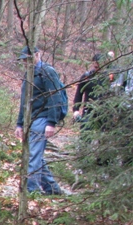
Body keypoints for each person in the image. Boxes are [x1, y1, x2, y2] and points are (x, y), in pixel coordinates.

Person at [15, 46, 63, 195]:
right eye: (23, 60)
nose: (25, 62)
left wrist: (51, 122)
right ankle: (52, 189)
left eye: (27, 59)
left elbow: (55, 97)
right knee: (35, 156)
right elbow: (24, 100)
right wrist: (20, 123)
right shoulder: (29, 74)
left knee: (33, 156)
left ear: (37, 55)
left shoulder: (47, 72)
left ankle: (31, 191)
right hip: (31, 119)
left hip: (42, 118)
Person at [72, 54, 110, 128]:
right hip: (88, 112)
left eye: (100, 67)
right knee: (85, 137)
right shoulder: (86, 77)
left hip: (105, 113)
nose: (98, 69)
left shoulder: (109, 78)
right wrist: (76, 110)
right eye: (96, 67)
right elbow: (78, 94)